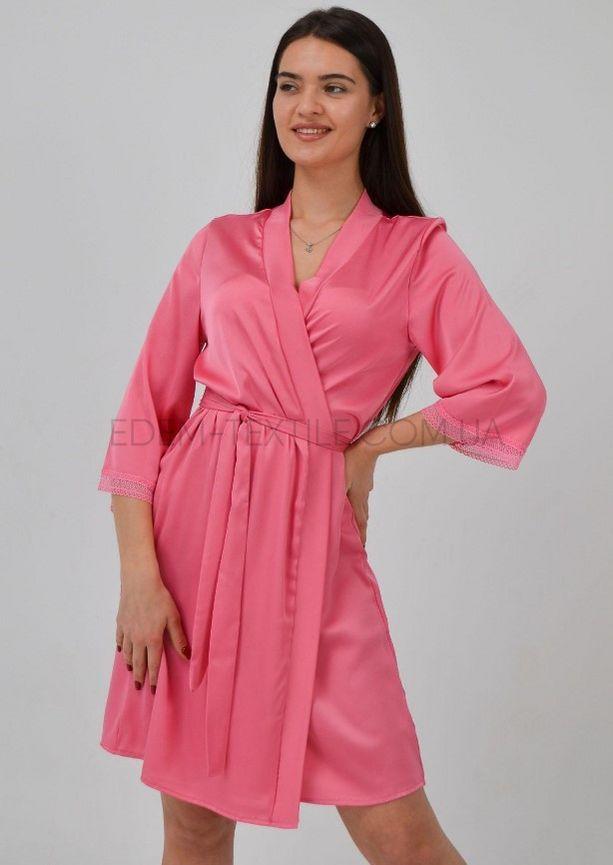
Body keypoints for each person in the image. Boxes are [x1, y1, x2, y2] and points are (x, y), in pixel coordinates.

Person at [96, 8, 547, 864]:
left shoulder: (418, 254)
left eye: (334, 87)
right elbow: (141, 416)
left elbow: (505, 385)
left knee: (401, 835)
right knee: (193, 825)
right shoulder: (220, 244)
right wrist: (139, 579)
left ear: (375, 107)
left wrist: (370, 447)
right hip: (195, 554)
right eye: (288, 85)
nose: (306, 106)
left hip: (315, 551)